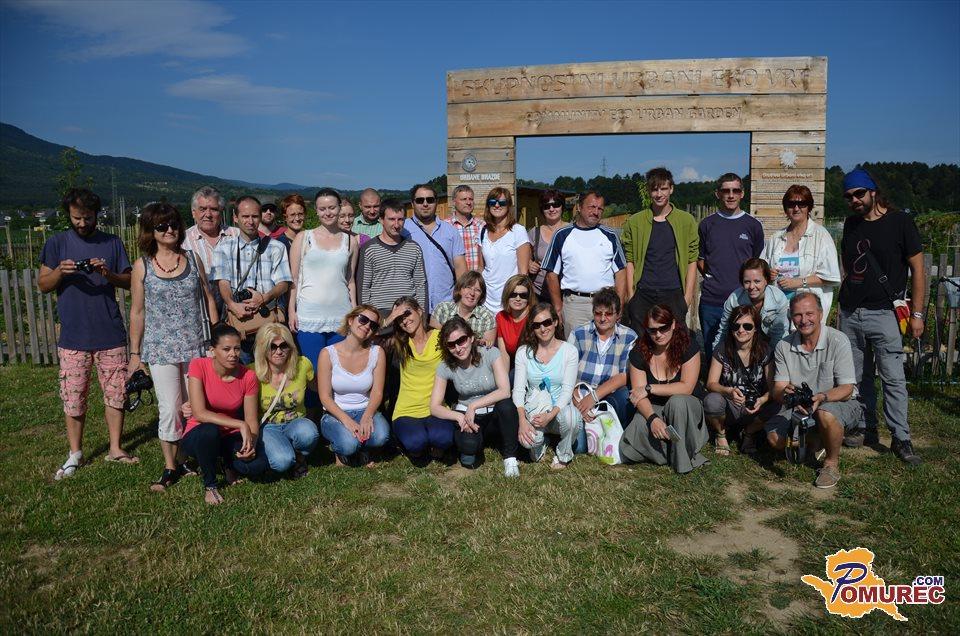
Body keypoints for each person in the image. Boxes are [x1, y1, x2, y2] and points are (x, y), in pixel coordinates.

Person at [39, 187, 136, 480]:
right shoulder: (56, 243)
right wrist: (60, 271)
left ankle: (115, 448)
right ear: (69, 215)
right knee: (73, 395)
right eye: (76, 218)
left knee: (116, 394)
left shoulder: (112, 242)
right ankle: (75, 452)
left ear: (97, 215)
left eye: (88, 218)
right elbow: (43, 284)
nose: (82, 223)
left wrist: (108, 274)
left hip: (110, 332)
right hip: (74, 336)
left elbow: (130, 281)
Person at [127, 202, 218, 491]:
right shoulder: (142, 266)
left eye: (174, 224)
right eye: (162, 226)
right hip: (161, 349)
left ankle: (189, 456)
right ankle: (170, 465)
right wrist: (135, 354)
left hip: (195, 347)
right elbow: (137, 312)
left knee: (193, 406)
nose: (170, 230)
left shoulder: (192, 259)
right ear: (150, 231)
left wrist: (215, 338)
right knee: (169, 408)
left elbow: (208, 298)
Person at [837, 168, 924, 463]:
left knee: (893, 378)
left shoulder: (900, 222)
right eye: (849, 196)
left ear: (873, 191)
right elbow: (847, 265)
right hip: (851, 312)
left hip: (885, 312)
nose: (854, 200)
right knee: (857, 376)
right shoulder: (851, 224)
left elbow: (918, 270)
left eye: (859, 194)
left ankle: (901, 437)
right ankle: (865, 427)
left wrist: (917, 313)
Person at [767, 292, 863, 488]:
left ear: (820, 314)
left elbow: (847, 388)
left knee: (825, 414)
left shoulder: (838, 340)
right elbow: (777, 389)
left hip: (837, 402)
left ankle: (831, 463)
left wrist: (822, 397)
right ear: (791, 317)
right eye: (798, 315)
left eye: (809, 313)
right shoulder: (783, 346)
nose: (804, 320)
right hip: (800, 407)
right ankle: (817, 440)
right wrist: (786, 395)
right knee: (775, 439)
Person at [182, 323, 267, 505]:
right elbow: (199, 413)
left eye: (237, 349)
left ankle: (227, 463)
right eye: (226, 349)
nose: (233, 354)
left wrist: (251, 444)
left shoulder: (248, 376)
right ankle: (211, 485)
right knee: (209, 431)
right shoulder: (198, 365)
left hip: (229, 435)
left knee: (256, 465)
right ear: (213, 351)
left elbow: (251, 419)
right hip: (199, 432)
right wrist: (240, 424)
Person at [619, 304, 708, 474]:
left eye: (663, 328)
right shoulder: (639, 351)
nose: (658, 334)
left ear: (673, 324)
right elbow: (638, 395)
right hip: (657, 408)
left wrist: (649, 388)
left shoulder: (688, 346)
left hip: (687, 407)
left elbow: (687, 387)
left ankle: (681, 462)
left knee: (677, 402)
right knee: (629, 446)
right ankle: (674, 451)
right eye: (652, 330)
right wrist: (652, 419)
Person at [288, 188, 358, 387]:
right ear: (316, 211)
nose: (328, 213)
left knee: (339, 374)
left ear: (339, 208)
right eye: (322, 209)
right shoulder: (304, 238)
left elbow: (350, 280)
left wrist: (354, 311)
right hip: (309, 315)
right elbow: (294, 279)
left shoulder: (350, 241)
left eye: (332, 208)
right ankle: (313, 408)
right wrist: (291, 310)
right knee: (312, 375)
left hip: (341, 316)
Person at [430, 317, 520, 475]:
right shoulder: (445, 366)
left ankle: (510, 458)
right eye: (451, 345)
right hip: (469, 418)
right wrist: (459, 417)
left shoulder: (490, 353)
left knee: (506, 405)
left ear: (471, 338)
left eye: (461, 340)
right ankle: (475, 443)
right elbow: (434, 407)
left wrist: (473, 405)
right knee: (468, 455)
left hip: (493, 413)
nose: (458, 348)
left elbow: (505, 390)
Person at [210, 195, 292, 363]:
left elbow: (284, 283)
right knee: (243, 371)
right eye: (245, 216)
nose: (250, 221)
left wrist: (264, 298)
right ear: (235, 217)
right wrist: (232, 304)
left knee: (273, 370)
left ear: (260, 217)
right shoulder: (223, 248)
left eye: (254, 216)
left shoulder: (276, 247)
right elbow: (223, 282)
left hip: (268, 321)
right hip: (238, 322)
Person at [621, 167, 699, 331]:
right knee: (642, 341)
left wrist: (687, 298)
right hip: (643, 293)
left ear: (671, 189)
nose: (659, 194)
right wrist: (632, 296)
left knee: (675, 341)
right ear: (648, 191)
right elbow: (630, 260)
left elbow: (692, 260)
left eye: (663, 188)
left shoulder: (686, 221)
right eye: (654, 189)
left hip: (674, 293)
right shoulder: (635, 221)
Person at [697, 173, 765, 359]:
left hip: (743, 302)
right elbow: (700, 260)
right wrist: (715, 278)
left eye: (735, 190)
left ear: (742, 193)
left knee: (744, 353)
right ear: (717, 193)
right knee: (713, 352)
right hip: (712, 301)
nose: (731, 195)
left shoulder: (753, 225)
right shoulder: (707, 225)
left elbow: (758, 264)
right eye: (726, 191)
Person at [543, 190, 628, 337]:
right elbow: (551, 274)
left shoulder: (611, 236)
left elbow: (621, 271)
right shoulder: (562, 235)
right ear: (579, 207)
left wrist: (619, 304)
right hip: (575, 306)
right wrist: (558, 307)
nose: (596, 212)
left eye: (600, 208)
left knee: (606, 347)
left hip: (606, 304)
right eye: (592, 207)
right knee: (575, 349)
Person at [318, 305, 391, 466]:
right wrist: (347, 421)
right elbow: (324, 397)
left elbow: (377, 392)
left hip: (365, 408)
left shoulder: (377, 352)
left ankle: (361, 447)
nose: (367, 326)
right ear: (351, 320)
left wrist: (367, 415)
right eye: (363, 320)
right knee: (348, 445)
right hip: (336, 413)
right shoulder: (327, 353)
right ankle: (344, 449)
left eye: (373, 325)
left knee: (382, 436)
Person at [386, 297, 454, 464]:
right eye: (399, 318)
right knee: (416, 444)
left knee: (443, 439)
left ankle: (434, 443)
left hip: (436, 407)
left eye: (407, 313)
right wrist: (389, 318)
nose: (404, 320)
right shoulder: (399, 343)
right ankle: (413, 444)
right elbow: (367, 336)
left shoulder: (439, 337)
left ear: (420, 311)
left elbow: (462, 340)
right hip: (406, 410)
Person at [514, 303, 581, 469]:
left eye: (547, 322)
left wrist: (550, 416)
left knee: (572, 418)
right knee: (526, 441)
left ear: (555, 322)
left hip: (559, 411)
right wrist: (521, 420)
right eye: (537, 325)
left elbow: (567, 391)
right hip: (535, 409)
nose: (543, 329)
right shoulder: (523, 352)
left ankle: (563, 454)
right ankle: (539, 443)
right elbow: (519, 390)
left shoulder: (569, 351)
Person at [704, 305, 777, 456]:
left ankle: (749, 432)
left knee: (778, 403)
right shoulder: (723, 349)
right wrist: (728, 391)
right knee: (711, 400)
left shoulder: (765, 351)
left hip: (755, 406)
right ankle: (721, 433)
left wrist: (762, 400)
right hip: (730, 405)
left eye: (747, 326)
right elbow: (711, 383)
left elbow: (773, 388)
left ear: (756, 328)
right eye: (736, 326)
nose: (741, 330)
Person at [568, 287, 638, 439]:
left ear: (618, 315)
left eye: (608, 314)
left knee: (625, 395)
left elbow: (624, 376)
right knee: (580, 446)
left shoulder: (629, 337)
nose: (602, 318)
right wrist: (577, 401)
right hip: (580, 394)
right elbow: (567, 373)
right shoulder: (579, 334)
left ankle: (618, 436)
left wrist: (593, 398)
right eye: (598, 313)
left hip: (610, 395)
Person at [762, 185, 841, 320]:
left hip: (807, 313)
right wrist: (768, 273)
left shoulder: (821, 236)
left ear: (809, 207)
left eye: (802, 204)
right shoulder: (776, 237)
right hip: (778, 312)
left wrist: (799, 282)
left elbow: (830, 276)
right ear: (785, 208)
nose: (796, 208)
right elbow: (761, 268)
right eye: (791, 204)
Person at [253, 324, 320, 477]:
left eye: (284, 346)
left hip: (296, 423)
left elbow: (320, 390)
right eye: (272, 346)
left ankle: (299, 457)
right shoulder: (252, 372)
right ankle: (284, 455)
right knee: (282, 461)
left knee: (308, 433)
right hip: (268, 427)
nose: (279, 351)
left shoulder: (303, 365)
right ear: (263, 348)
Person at [357, 198, 428, 319]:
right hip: (380, 314)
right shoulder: (369, 249)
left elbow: (420, 284)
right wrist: (368, 318)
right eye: (391, 219)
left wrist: (422, 316)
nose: (396, 224)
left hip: (408, 313)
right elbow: (364, 288)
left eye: (400, 219)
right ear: (381, 220)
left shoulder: (414, 248)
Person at [404, 183, 466, 313]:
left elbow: (460, 267)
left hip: (445, 304)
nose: (425, 204)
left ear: (436, 202)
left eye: (430, 200)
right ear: (412, 203)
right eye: (420, 200)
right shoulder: (403, 230)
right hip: (412, 304)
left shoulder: (450, 231)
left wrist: (461, 301)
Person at [713, 258, 789, 349]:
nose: (751, 286)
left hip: (771, 344)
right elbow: (723, 331)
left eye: (757, 281)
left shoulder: (779, 299)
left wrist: (771, 356)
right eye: (747, 282)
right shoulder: (734, 300)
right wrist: (716, 353)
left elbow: (779, 334)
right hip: (742, 345)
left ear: (766, 280)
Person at [183, 185, 237, 313]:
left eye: (213, 209)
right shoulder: (183, 242)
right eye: (202, 209)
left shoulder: (237, 236)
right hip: (200, 311)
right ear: (193, 213)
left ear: (221, 212)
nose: (208, 214)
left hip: (236, 309)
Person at [478, 187, 531, 313]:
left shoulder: (518, 231)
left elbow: (523, 273)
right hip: (486, 298)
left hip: (509, 297)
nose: (497, 205)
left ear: (508, 206)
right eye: (493, 202)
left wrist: (517, 297)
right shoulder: (483, 230)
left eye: (502, 202)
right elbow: (481, 267)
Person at [430, 271, 496, 346]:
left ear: (481, 295)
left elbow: (488, 348)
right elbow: (434, 342)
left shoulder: (487, 317)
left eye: (477, 290)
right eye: (468, 287)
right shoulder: (442, 310)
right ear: (460, 290)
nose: (472, 293)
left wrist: (482, 343)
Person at [527, 189, 569, 303]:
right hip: (539, 294)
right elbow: (524, 258)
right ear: (542, 209)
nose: (551, 209)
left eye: (556, 204)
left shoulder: (572, 231)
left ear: (562, 206)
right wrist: (530, 264)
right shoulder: (534, 232)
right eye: (546, 206)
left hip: (566, 294)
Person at [496, 274, 534, 364]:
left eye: (523, 295)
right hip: (513, 364)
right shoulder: (501, 317)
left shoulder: (535, 317)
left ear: (529, 297)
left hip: (533, 363)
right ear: (507, 295)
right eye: (513, 294)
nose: (518, 299)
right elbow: (504, 354)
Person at [449, 184, 484, 272]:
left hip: (478, 278)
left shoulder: (482, 226)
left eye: (471, 199)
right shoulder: (445, 226)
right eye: (464, 199)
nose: (468, 202)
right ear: (454, 202)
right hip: (454, 278)